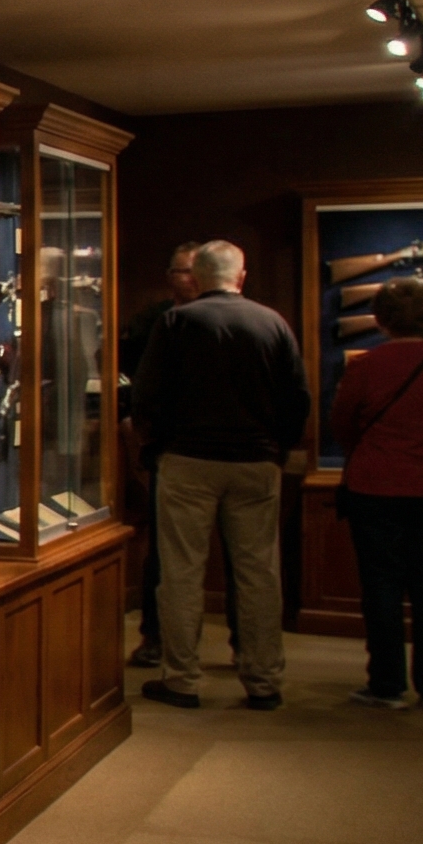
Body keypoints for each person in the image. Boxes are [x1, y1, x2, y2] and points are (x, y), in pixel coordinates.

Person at [133, 241, 309, 708]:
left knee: (181, 573)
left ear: (196, 275)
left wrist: (158, 446)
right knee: (259, 574)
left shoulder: (177, 322)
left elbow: (146, 396)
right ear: (242, 276)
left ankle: (182, 678)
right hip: (255, 461)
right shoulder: (272, 323)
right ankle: (264, 679)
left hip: (188, 459)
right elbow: (297, 398)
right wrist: (277, 449)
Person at [329, 276, 423, 709]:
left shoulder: (365, 366)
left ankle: (386, 683)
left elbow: (343, 425)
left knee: (381, 587)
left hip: (376, 487)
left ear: (381, 319)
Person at [123, 243, 224, 667]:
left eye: (196, 269)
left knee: (245, 565)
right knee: (166, 558)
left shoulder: (185, 322)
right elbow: (132, 385)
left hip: (214, 452)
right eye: (184, 270)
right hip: (175, 452)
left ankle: (248, 651)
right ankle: (157, 641)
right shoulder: (155, 321)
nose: (191, 277)